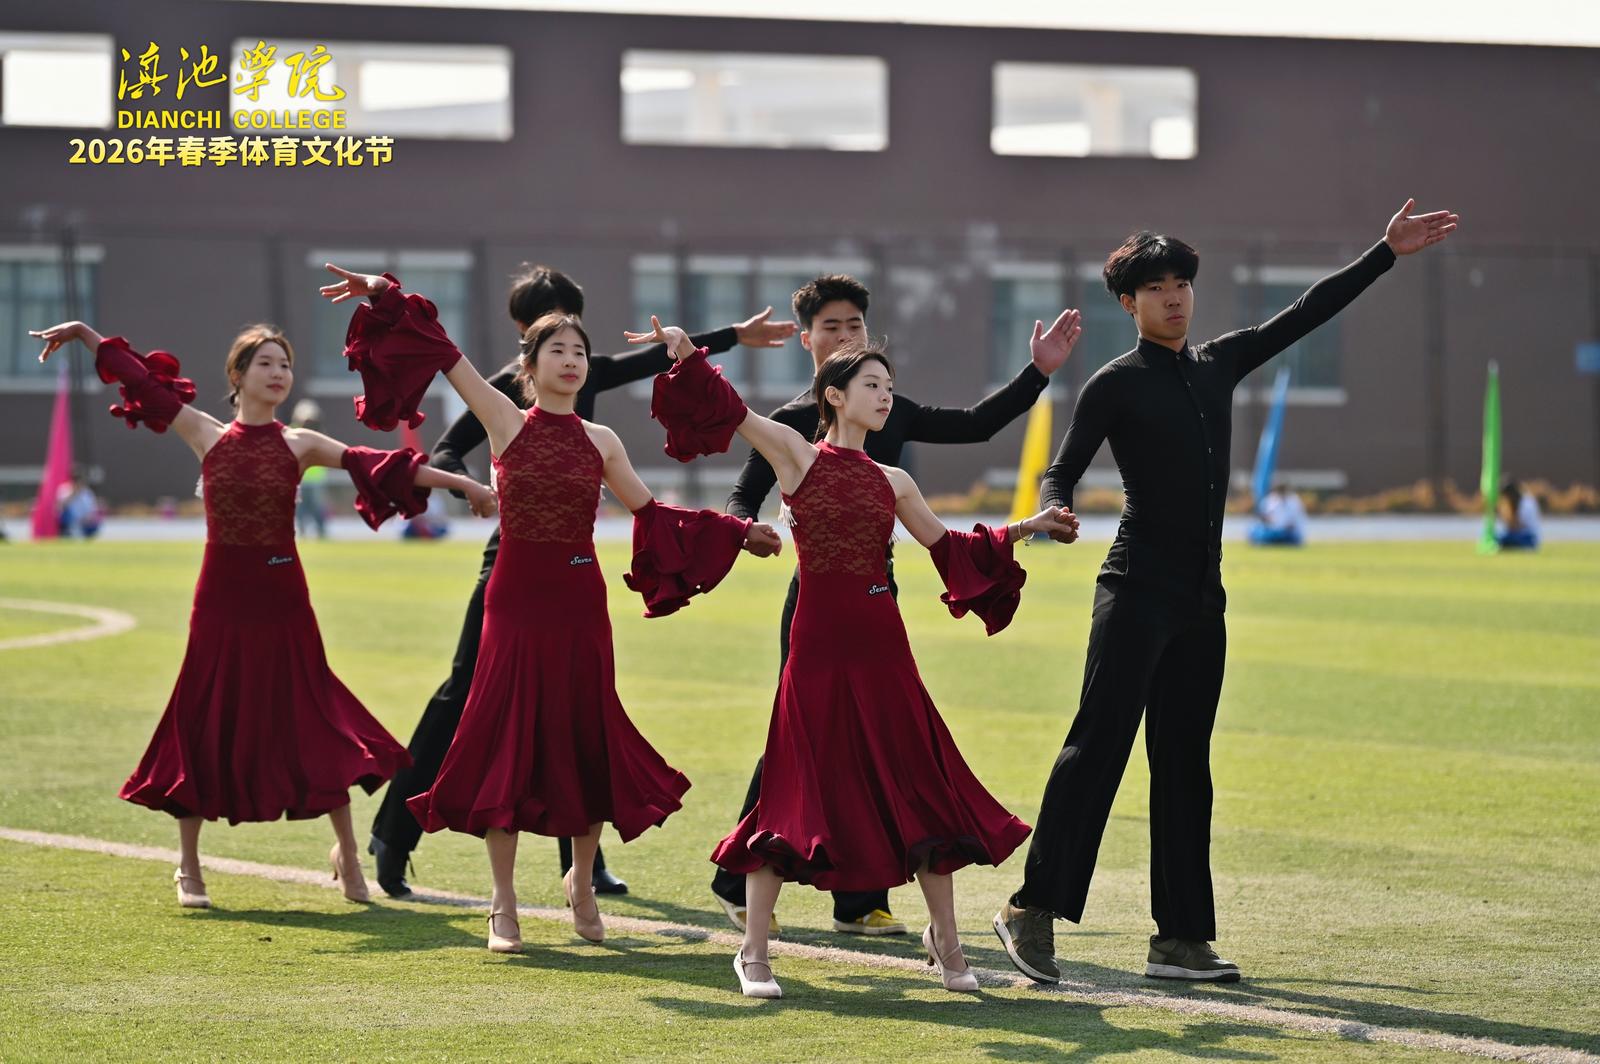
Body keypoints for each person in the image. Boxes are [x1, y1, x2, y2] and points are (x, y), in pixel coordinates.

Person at [994, 199, 1459, 986]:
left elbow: (1305, 313)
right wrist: (1054, 509)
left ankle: (1179, 939)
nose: (1174, 297)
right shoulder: (1114, 384)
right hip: (1134, 588)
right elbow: (1060, 469)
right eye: (1156, 288)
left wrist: (1384, 252)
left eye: (1181, 284)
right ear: (1129, 303)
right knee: (1098, 745)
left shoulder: (1220, 361)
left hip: (1199, 600)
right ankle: (1031, 908)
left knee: (1185, 763)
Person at [632, 316, 1078, 998]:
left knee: (919, 782)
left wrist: (1028, 527)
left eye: (889, 386)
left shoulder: (893, 479)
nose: (885, 396)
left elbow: (950, 549)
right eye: (872, 384)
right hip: (816, 646)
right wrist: (691, 353)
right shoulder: (796, 455)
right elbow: (731, 410)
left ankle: (947, 942)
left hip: (883, 644)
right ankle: (753, 953)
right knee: (790, 794)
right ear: (834, 395)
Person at [321, 266, 754, 952]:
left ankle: (581, 881)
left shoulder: (602, 440)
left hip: (581, 602)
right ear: (528, 366)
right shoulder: (503, 419)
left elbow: (651, 513)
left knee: (585, 739)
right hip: (515, 602)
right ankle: (504, 902)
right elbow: (442, 349)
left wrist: (736, 532)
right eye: (558, 349)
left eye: (580, 350)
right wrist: (382, 290)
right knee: (507, 745)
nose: (573, 360)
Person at [29, 316, 495, 908]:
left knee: (312, 718)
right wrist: (86, 335)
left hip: (283, 600)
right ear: (238, 375)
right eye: (266, 363)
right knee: (202, 719)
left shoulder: (300, 444)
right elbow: (143, 384)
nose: (279, 373)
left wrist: (465, 485)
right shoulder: (205, 433)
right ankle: (188, 866)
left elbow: (381, 465)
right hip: (220, 600)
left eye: (285, 364)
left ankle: (348, 854)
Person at [290, 399, 330, 540]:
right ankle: (301, 532)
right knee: (299, 508)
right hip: (299, 479)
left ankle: (321, 531)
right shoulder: (292, 432)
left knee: (317, 507)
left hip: (315, 479)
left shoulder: (319, 433)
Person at [1249, 481, 1306, 546]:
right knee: (1259, 532)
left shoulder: (1294, 501)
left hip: (1288, 532)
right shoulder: (1269, 500)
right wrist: (1267, 519)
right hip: (1272, 530)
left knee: (1292, 536)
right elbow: (1262, 515)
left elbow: (1297, 519)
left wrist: (1288, 526)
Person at [1495, 479, 1540, 549]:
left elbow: (1518, 526)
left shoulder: (1526, 502)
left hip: (1528, 537)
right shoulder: (1517, 503)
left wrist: (1507, 513)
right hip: (1518, 535)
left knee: (1501, 540)